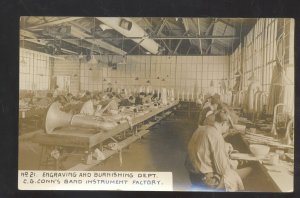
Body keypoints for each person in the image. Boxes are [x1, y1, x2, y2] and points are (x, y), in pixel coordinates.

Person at [185, 110, 252, 191]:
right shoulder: (216, 135)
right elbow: (222, 170)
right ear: (224, 123)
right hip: (207, 180)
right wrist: (235, 161)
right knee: (251, 170)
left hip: (193, 175)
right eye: (228, 127)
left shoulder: (201, 129)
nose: (228, 130)